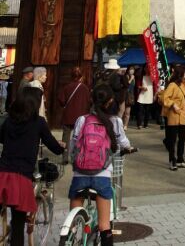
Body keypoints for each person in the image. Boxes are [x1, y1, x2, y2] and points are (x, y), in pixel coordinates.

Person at [0, 87, 65, 246]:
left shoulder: (8, 120)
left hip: (2, 173)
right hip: (21, 178)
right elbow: (54, 147)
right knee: (17, 226)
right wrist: (62, 146)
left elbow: (1, 139)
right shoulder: (39, 122)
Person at [68, 84, 131, 246]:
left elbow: (73, 146)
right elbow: (124, 142)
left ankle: (71, 231)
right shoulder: (115, 122)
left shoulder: (82, 120)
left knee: (73, 221)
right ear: (111, 101)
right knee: (104, 225)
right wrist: (128, 148)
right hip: (101, 176)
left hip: (79, 175)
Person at [159, 65, 185, 171]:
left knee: (182, 138)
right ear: (181, 74)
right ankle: (172, 160)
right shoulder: (172, 85)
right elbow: (165, 98)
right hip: (173, 114)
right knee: (172, 140)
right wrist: (172, 104)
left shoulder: (183, 84)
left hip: (182, 115)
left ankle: (180, 159)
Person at [58, 66, 91, 163]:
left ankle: (64, 158)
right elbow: (89, 102)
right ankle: (78, 157)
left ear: (71, 77)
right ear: (81, 77)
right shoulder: (85, 88)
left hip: (68, 115)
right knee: (80, 137)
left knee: (66, 137)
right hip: (81, 116)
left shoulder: (67, 87)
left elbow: (61, 101)